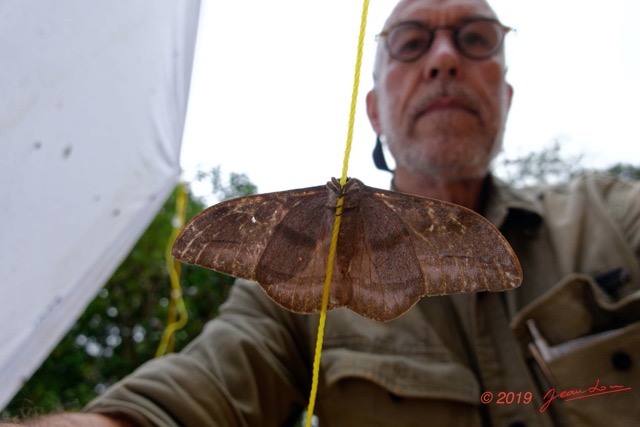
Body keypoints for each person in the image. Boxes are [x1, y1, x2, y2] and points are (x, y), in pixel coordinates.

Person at [7, 0, 640, 425]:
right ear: (373, 111)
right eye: (411, 42)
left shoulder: (611, 216)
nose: (443, 58)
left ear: (503, 93)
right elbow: (181, 401)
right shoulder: (299, 285)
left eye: (476, 39)